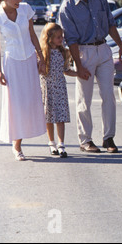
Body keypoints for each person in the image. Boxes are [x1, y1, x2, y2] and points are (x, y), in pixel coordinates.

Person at [58, 0, 122, 153]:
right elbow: (70, 40)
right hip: (83, 53)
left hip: (103, 50)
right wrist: (78, 66)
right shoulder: (67, 6)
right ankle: (85, 140)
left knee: (108, 96)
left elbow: (110, 23)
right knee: (84, 99)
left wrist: (120, 45)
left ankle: (109, 138)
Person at [0, 0, 46, 161]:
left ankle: (27, 139)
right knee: (16, 104)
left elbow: (32, 34)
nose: (19, 0)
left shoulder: (25, 9)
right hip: (12, 63)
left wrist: (41, 57)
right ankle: (17, 146)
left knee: (30, 102)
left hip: (29, 60)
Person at [40, 23, 77, 157]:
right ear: (49, 38)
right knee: (49, 117)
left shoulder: (64, 52)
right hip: (48, 88)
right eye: (57, 37)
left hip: (60, 88)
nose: (60, 39)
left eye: (61, 36)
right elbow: (39, 70)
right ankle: (51, 143)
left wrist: (78, 73)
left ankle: (61, 144)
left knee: (60, 117)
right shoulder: (44, 53)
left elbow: (66, 70)